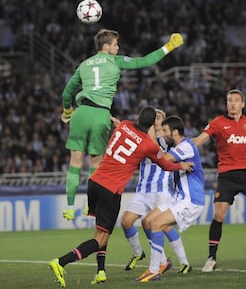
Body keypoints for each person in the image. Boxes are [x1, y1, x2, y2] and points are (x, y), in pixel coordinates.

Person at [48, 107, 193, 288]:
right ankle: (61, 262)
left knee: (101, 232)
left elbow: (126, 129)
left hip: (94, 183)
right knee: (100, 238)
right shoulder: (147, 144)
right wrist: (181, 165)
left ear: (138, 116)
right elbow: (164, 164)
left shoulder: (123, 125)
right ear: (150, 126)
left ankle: (101, 271)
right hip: (111, 190)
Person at [61, 28, 184, 221]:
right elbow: (145, 61)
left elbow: (67, 93)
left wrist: (67, 111)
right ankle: (89, 205)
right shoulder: (115, 61)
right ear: (106, 46)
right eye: (115, 45)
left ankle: (69, 207)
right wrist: (169, 46)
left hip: (81, 112)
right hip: (101, 114)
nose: (118, 48)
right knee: (95, 163)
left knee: (75, 161)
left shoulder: (83, 65)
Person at [191, 88, 246, 272]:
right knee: (219, 215)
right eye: (229, 100)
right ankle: (211, 258)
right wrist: (183, 144)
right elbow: (200, 139)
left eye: (236, 100)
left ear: (243, 104)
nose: (232, 103)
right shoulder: (218, 122)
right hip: (227, 174)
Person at [120, 109, 191, 275]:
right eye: (153, 118)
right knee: (126, 221)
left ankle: (183, 262)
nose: (155, 120)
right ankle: (141, 254)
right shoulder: (143, 139)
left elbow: (156, 146)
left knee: (159, 226)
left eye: (158, 118)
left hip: (162, 191)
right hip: (143, 190)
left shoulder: (166, 141)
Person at [138, 115, 205, 282]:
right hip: (177, 198)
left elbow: (165, 160)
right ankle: (167, 264)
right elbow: (164, 159)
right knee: (147, 222)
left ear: (175, 132)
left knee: (157, 224)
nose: (163, 133)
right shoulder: (177, 146)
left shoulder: (186, 146)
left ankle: (155, 270)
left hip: (191, 200)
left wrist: (153, 142)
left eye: (165, 130)